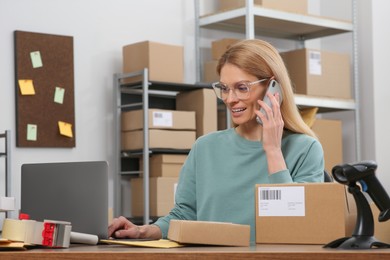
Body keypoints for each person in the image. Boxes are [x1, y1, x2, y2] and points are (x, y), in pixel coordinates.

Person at [108, 39, 325, 242]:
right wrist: (142, 231)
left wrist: (273, 150)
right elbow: (185, 214)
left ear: (272, 88)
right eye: (224, 88)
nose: (230, 99)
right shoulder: (205, 147)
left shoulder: (306, 149)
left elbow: (296, 226)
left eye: (242, 88)